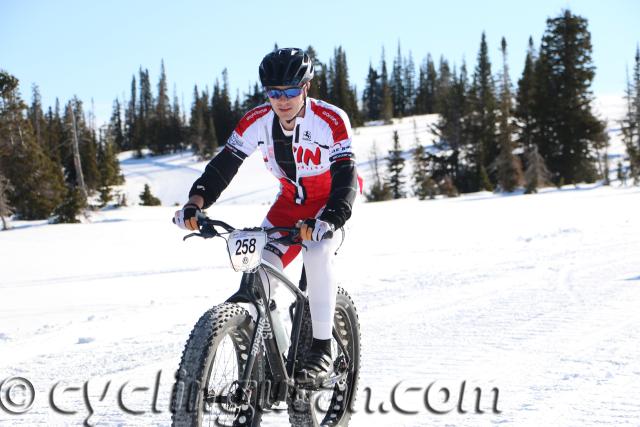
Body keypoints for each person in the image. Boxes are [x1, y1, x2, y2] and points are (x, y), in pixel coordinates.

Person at [174, 48, 360, 386]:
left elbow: (346, 174)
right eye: (275, 93)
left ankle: (321, 349)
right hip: (289, 206)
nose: (283, 100)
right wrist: (196, 202)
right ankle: (268, 363)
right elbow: (224, 165)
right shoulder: (256, 121)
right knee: (259, 274)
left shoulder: (330, 120)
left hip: (328, 204)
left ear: (306, 87)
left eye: (291, 91)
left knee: (317, 254)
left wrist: (331, 218)